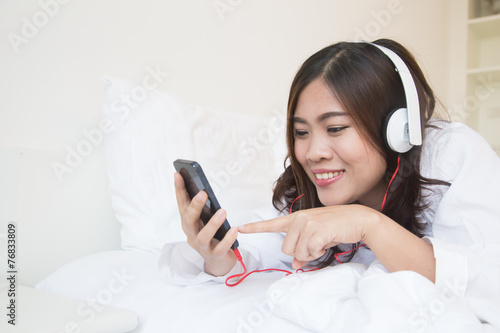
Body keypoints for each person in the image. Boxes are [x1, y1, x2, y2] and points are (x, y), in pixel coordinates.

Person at [163, 39, 500, 326]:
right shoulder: (306, 190)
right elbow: (264, 255)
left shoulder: (450, 156)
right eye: (300, 132)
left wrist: (370, 225)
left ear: (397, 130)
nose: (312, 153)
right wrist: (217, 257)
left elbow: (489, 287)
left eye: (335, 128)